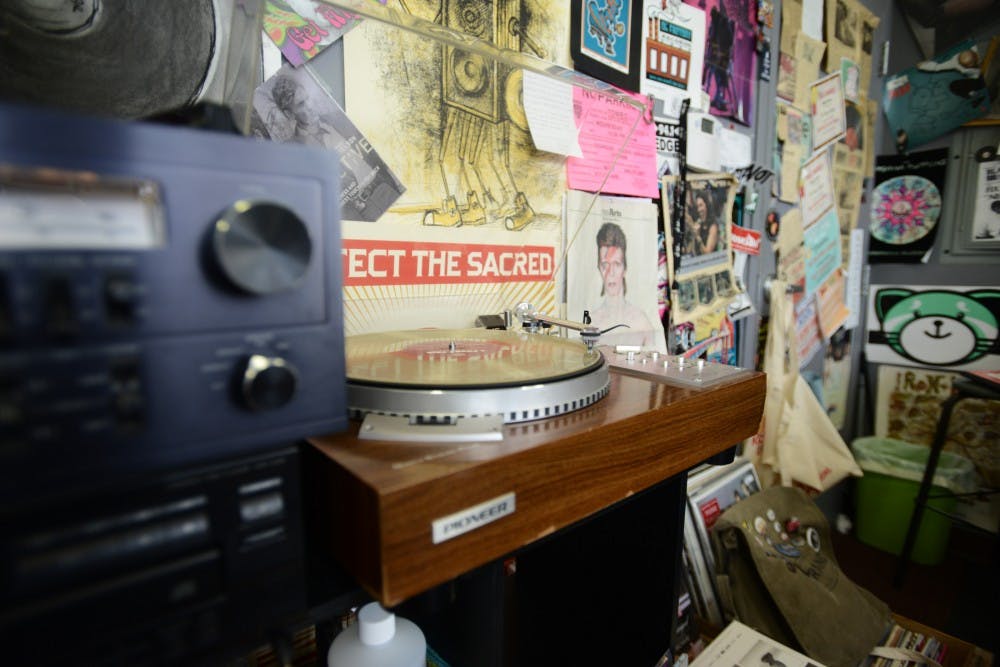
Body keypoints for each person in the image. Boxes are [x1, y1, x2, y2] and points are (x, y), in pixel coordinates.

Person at [589, 222, 656, 348]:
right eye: (605, 265)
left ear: (625, 268)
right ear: (599, 268)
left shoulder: (642, 322)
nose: (611, 272)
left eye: (617, 264)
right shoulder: (592, 323)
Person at [687, 190, 720, 255]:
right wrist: (693, 235)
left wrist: (698, 236)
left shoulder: (713, 226)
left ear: (707, 205)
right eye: (697, 206)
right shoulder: (700, 223)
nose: (699, 210)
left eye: (701, 205)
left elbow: (707, 254)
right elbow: (690, 250)